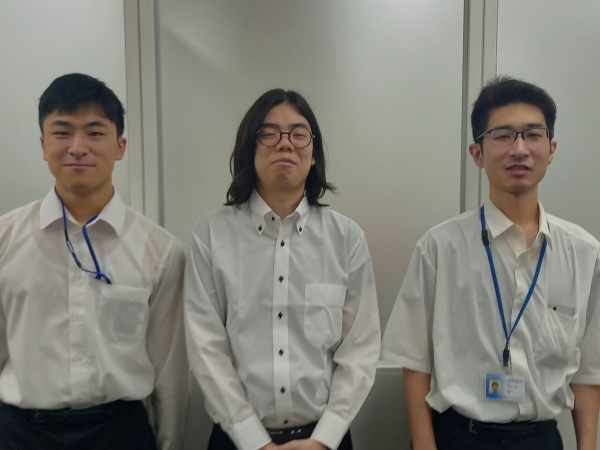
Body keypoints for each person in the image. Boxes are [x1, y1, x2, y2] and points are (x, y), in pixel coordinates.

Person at [381, 76, 600, 449]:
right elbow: (415, 363)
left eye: (533, 135)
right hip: (458, 436)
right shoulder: (439, 248)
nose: (519, 149)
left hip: (540, 438)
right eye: (502, 135)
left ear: (551, 149)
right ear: (477, 153)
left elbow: (589, 373)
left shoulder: (584, 253)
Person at [0, 73, 189, 450]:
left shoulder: (161, 251)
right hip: (21, 434)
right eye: (62, 132)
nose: (77, 147)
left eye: (94, 132)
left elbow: (170, 372)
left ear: (120, 146)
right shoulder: (4, 239)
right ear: (43, 145)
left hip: (119, 433)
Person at [184, 89, 380, 450]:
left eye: (299, 134)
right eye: (269, 133)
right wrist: (253, 440)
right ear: (249, 148)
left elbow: (360, 349)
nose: (285, 143)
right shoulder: (211, 235)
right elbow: (206, 349)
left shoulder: (346, 237)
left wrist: (324, 438)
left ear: (314, 154)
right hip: (237, 439)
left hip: (324, 440)